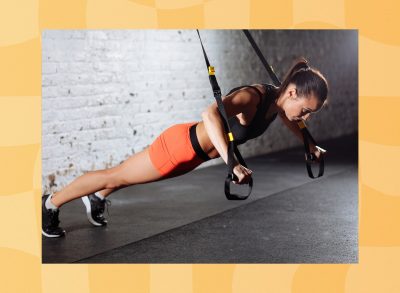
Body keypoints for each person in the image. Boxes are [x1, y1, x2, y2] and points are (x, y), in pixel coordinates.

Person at [42, 58, 328, 238]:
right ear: (292, 92)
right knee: (115, 175)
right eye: (305, 110)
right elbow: (209, 114)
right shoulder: (252, 97)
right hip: (178, 147)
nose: (304, 117)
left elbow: (289, 119)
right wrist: (232, 163)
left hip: (192, 157)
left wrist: (309, 142)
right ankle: (50, 203)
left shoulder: (276, 104)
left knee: (128, 176)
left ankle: (97, 198)